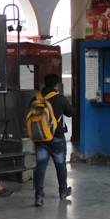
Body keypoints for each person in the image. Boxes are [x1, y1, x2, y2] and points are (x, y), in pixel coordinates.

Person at [31, 74, 74, 207]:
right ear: (56, 85)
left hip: (41, 138)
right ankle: (62, 191)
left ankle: (39, 196)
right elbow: (70, 112)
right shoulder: (60, 98)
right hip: (57, 138)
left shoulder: (36, 99)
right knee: (60, 165)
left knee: (41, 167)